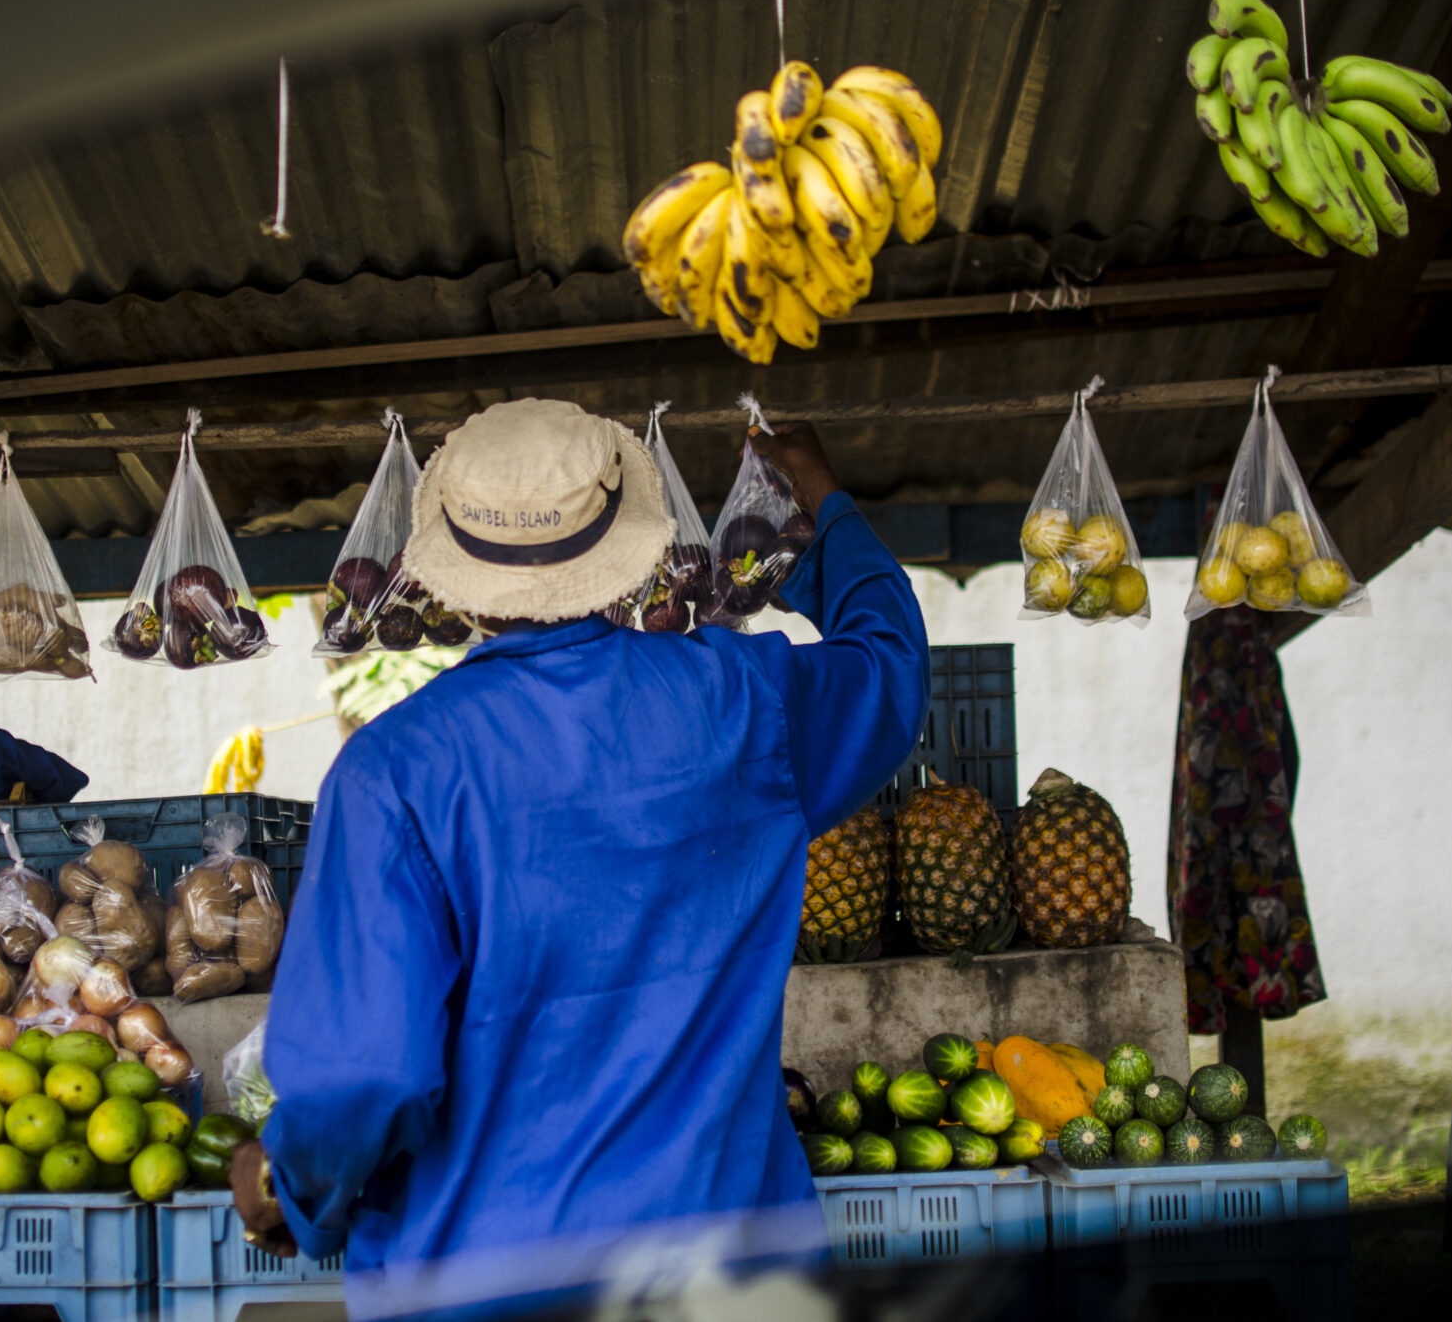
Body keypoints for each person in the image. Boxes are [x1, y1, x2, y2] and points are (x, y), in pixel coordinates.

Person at [230, 397, 929, 1318]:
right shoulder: (742, 700)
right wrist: (824, 504)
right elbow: (890, 667)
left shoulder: (393, 773)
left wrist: (291, 1186)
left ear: (455, 579)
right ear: (619, 552)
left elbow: (366, 1076)